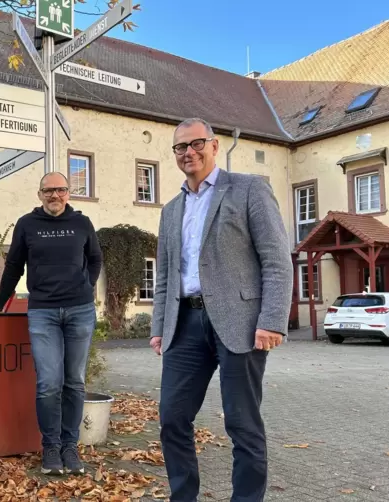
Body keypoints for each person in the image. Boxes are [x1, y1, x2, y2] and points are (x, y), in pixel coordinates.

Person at [150, 118, 292, 502]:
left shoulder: (248, 190)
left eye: (196, 143)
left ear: (214, 146)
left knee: (242, 423)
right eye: (180, 147)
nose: (188, 152)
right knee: (172, 418)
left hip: (241, 323)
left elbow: (276, 260)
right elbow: (166, 274)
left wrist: (272, 320)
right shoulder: (171, 209)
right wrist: (159, 325)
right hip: (185, 325)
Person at [0, 171, 103, 476]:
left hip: (80, 311)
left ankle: (70, 447)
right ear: (39, 195)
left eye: (60, 190)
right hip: (43, 312)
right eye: (48, 191)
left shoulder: (82, 223)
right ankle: (50, 446)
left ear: (68, 193)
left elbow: (96, 258)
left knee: (74, 381)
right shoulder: (27, 224)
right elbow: (13, 267)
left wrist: (86, 285)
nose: (54, 196)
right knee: (49, 383)